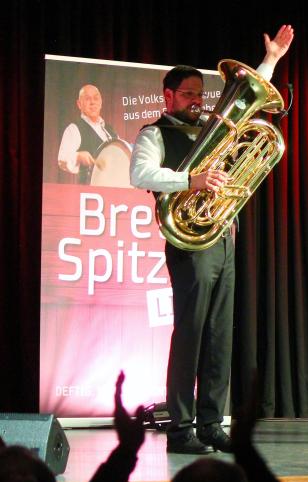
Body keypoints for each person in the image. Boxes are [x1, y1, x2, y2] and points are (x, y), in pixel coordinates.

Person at [130, 24, 294, 454]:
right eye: (188, 95)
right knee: (192, 332)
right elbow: (140, 175)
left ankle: (211, 423)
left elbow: (249, 96)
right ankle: (181, 428)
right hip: (189, 244)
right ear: (168, 97)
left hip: (222, 238)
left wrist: (272, 60)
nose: (198, 102)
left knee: (221, 333)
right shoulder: (153, 134)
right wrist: (193, 179)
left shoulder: (210, 129)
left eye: (201, 95)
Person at [57, 84, 119, 184]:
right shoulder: (74, 129)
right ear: (79, 104)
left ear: (101, 102)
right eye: (87, 99)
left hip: (113, 192)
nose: (92, 102)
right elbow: (62, 160)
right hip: (90, 194)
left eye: (96, 98)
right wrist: (78, 156)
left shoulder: (111, 131)